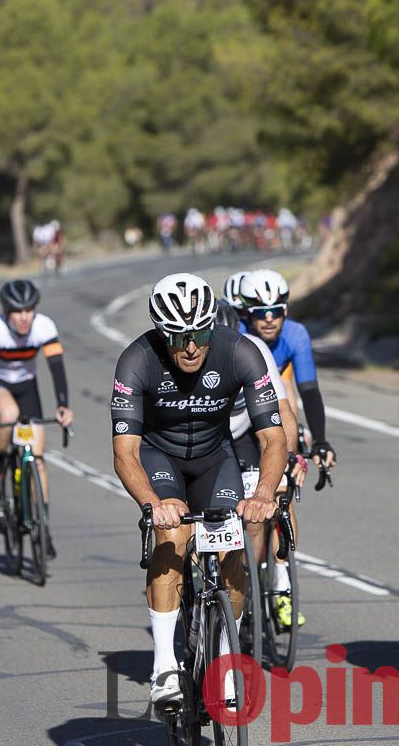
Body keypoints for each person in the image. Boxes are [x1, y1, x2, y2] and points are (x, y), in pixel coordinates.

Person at [111, 273, 287, 705]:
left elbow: (273, 438)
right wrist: (151, 503)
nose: (191, 346)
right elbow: (125, 452)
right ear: (160, 331)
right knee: (171, 538)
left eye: (201, 333)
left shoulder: (241, 352)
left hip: (216, 459)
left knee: (232, 551)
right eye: (178, 336)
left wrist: (264, 493)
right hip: (159, 458)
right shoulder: (136, 360)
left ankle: (226, 659)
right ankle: (165, 667)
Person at [218, 300, 307, 628]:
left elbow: (283, 411)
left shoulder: (253, 350)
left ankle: (252, 580)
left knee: (271, 498)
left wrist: (291, 457)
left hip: (245, 431)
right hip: (203, 436)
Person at [0, 279, 74, 557]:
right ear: (7, 312)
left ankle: (43, 524)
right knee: (7, 415)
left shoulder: (44, 326)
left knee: (39, 457)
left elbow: (56, 367)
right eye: (17, 311)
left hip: (27, 387)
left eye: (29, 310)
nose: (24, 317)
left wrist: (63, 406)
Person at [239, 269, 335, 472]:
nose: (268, 319)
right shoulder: (236, 335)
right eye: (259, 313)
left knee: (287, 467)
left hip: (273, 403)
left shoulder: (296, 335)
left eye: (275, 311)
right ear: (246, 313)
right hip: (238, 409)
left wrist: (320, 441)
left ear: (285, 311)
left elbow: (309, 391)